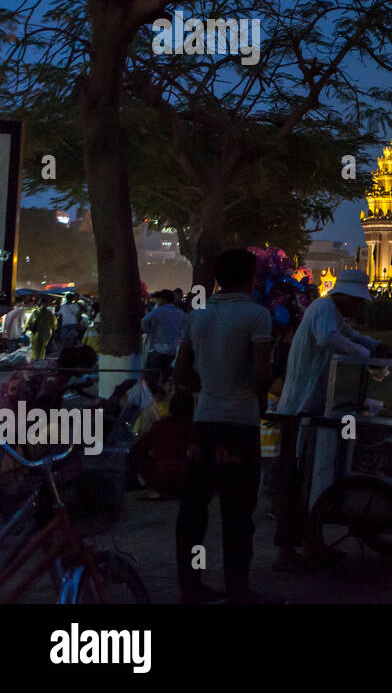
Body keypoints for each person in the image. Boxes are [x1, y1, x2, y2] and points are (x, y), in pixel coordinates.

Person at [171, 249, 273, 603]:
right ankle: (237, 588)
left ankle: (191, 585)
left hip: (205, 422)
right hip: (239, 425)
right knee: (237, 513)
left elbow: (180, 373)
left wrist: (211, 388)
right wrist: (244, 389)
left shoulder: (197, 316)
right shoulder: (257, 316)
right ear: (251, 278)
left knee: (193, 511)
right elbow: (261, 375)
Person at [273, 268, 391, 572]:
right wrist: (366, 356)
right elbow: (329, 338)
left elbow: (349, 335)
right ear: (346, 296)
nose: (359, 309)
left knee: (315, 482)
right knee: (296, 483)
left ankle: (312, 545)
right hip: (298, 411)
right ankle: (287, 551)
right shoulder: (323, 310)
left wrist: (372, 345)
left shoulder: (333, 313)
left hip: (313, 411)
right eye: (358, 303)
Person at [131, 386, 195, 499]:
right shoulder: (195, 428)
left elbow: (137, 450)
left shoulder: (161, 426)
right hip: (189, 477)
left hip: (160, 478)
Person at [142, 289, 187, 390]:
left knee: (150, 381)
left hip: (157, 350)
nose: (157, 301)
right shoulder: (180, 313)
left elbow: (144, 320)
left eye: (158, 299)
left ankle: (151, 402)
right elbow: (186, 326)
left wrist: (148, 330)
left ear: (163, 300)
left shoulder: (159, 311)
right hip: (172, 352)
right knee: (164, 381)